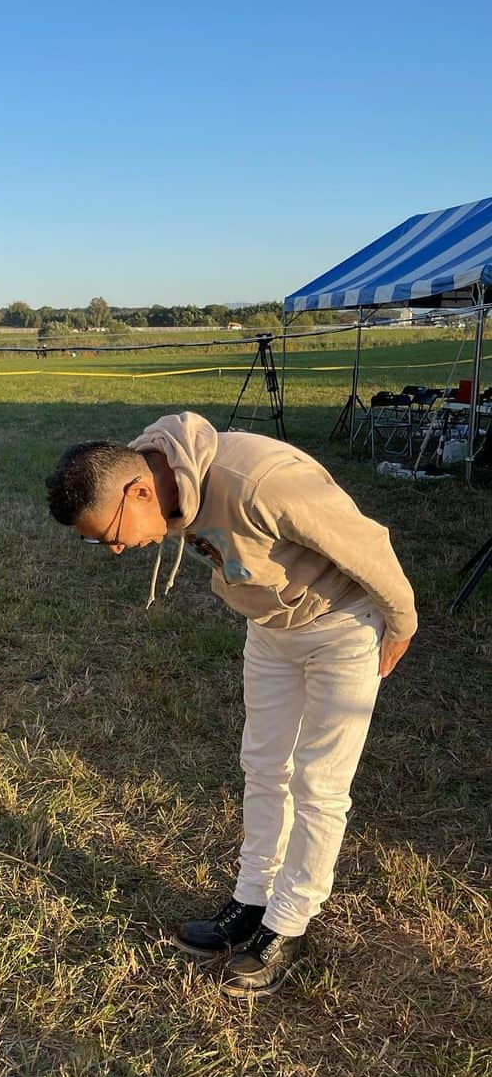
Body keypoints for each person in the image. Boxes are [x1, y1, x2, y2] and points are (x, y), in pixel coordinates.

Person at [45, 412, 416, 1000]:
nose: (115, 549)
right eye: (98, 541)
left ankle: (287, 924)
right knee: (264, 766)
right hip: (271, 628)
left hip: (342, 624)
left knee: (319, 783)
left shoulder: (259, 481)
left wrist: (400, 621)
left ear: (140, 491)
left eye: (109, 532)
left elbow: (367, 543)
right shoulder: (165, 485)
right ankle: (252, 900)